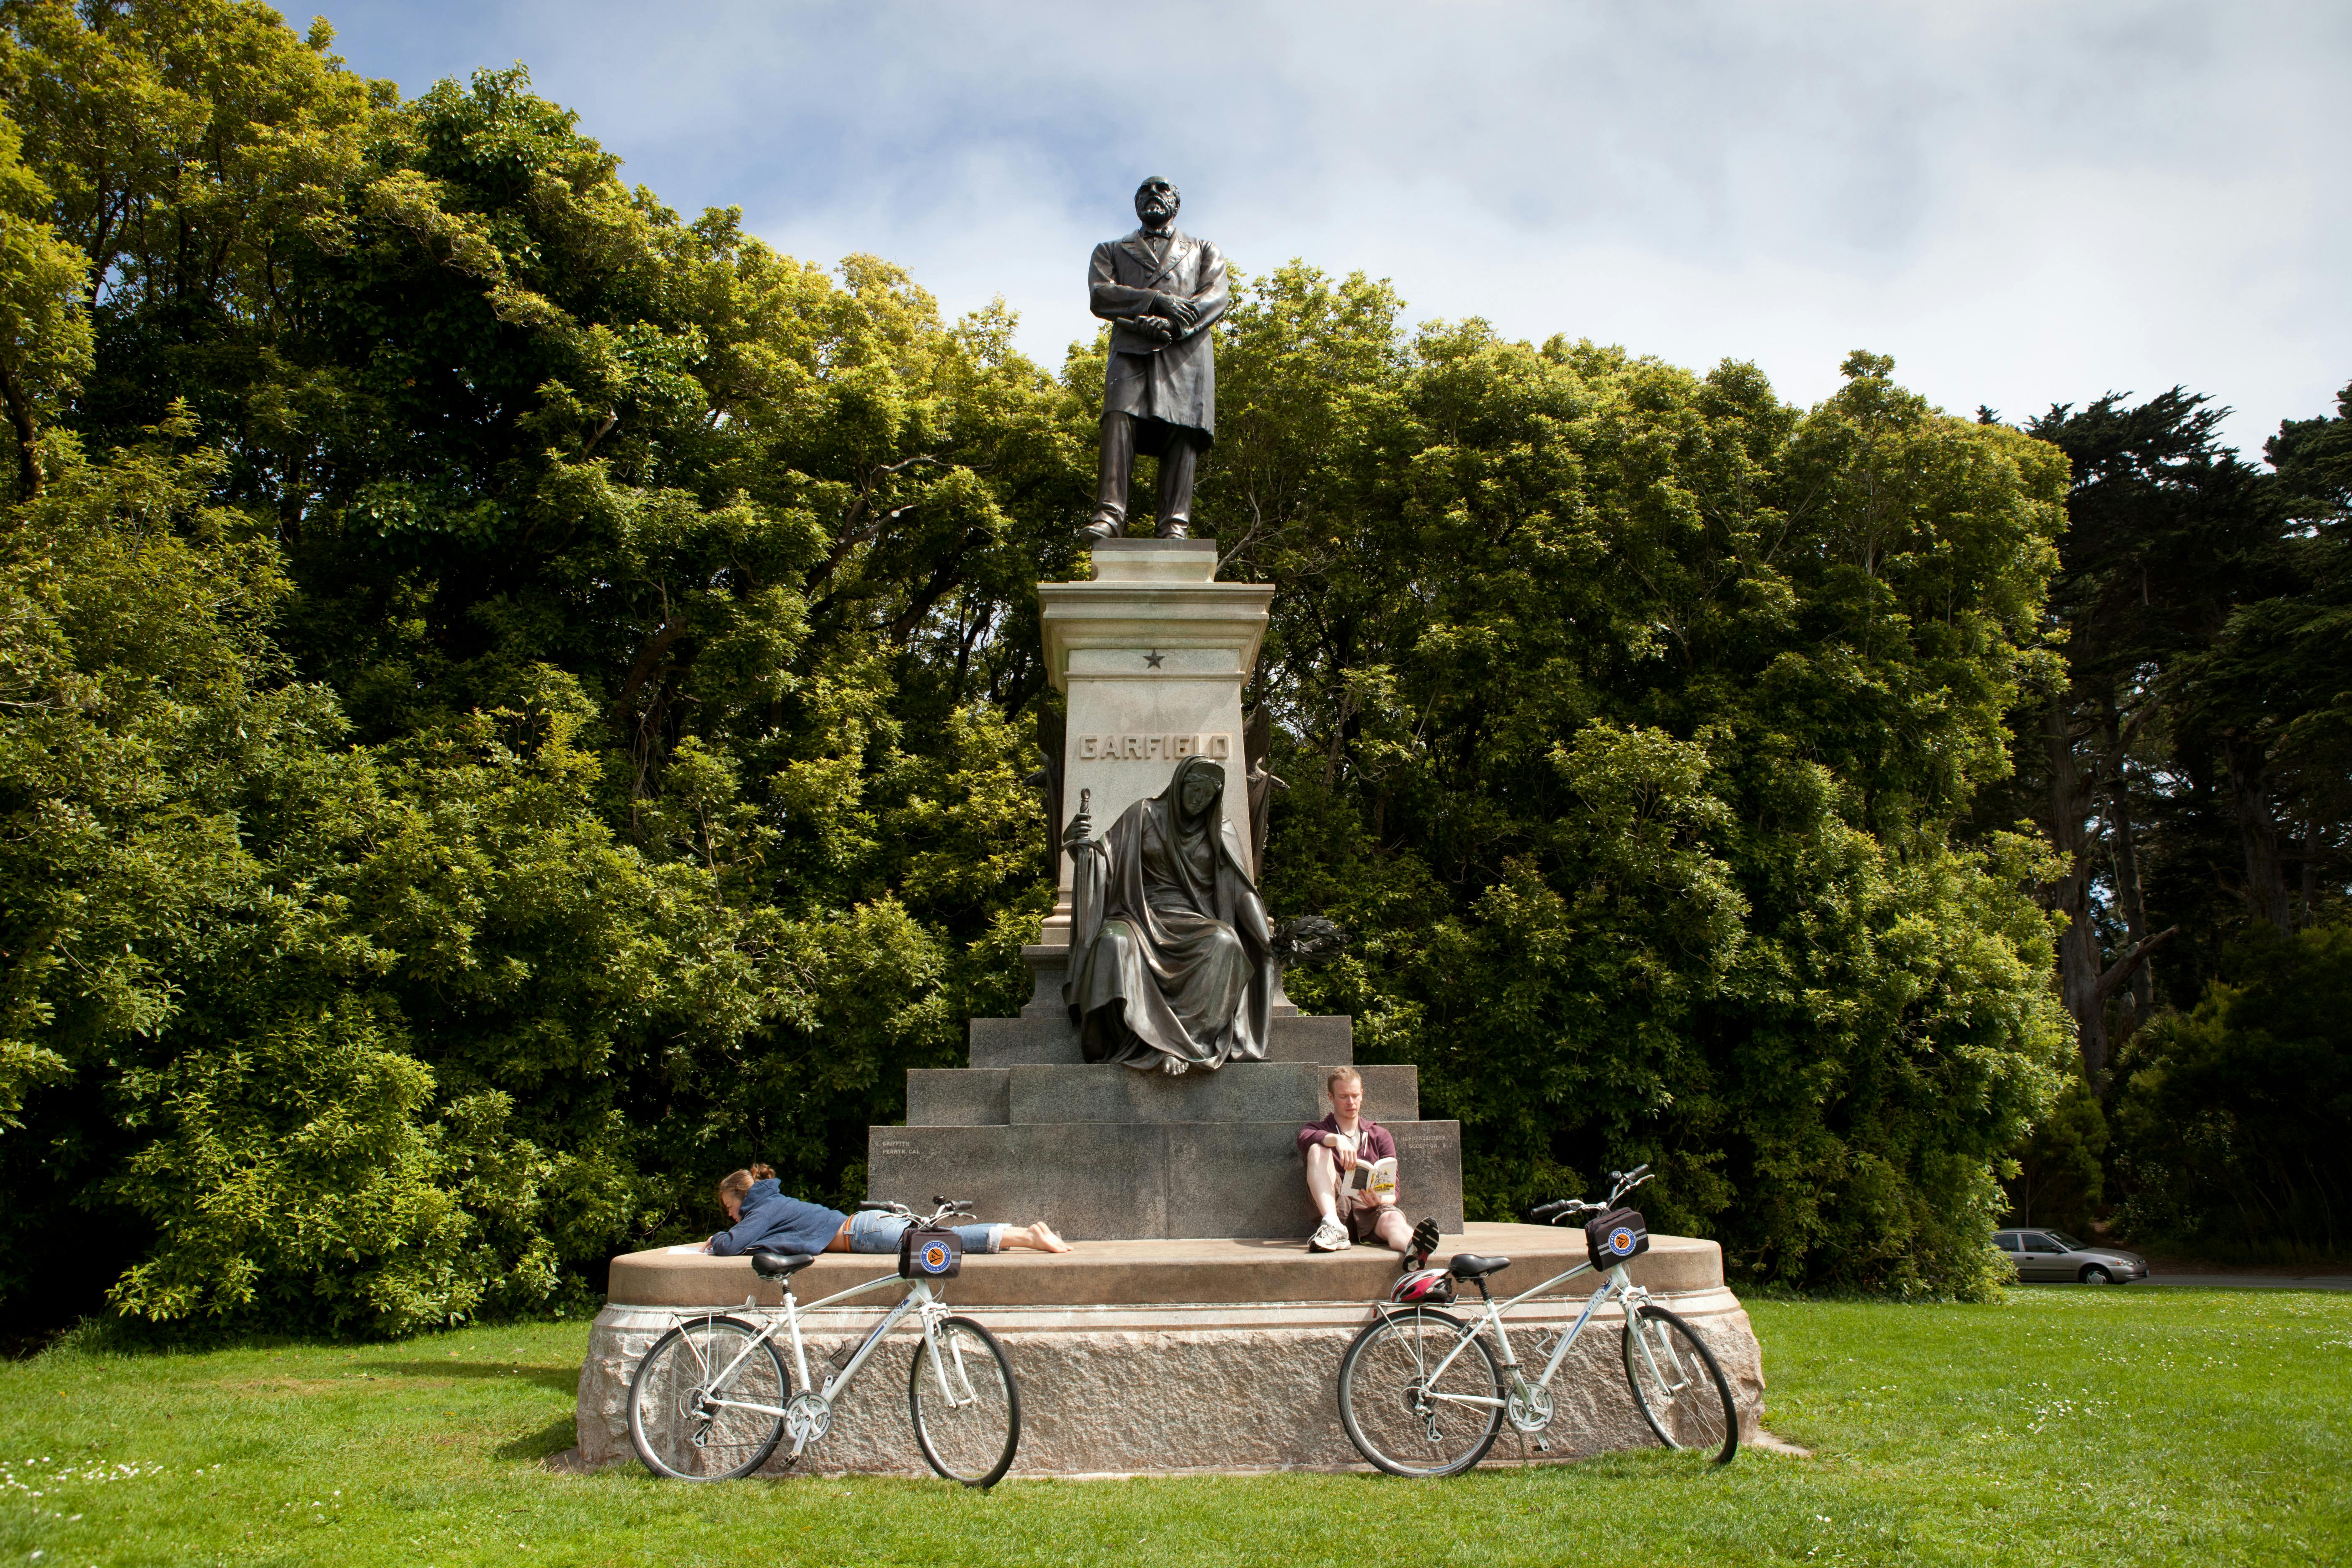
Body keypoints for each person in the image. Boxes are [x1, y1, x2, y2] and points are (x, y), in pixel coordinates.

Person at [1063, 754, 1272, 1073]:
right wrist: (1075, 843)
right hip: (1136, 915)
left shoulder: (1221, 830)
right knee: (1112, 943)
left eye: (1208, 795)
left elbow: (1242, 891)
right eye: (1195, 790)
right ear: (1179, 783)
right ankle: (1144, 1042)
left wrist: (1265, 939)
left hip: (1193, 920)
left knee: (1225, 943)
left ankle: (1185, 1044)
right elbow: (1103, 860)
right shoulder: (1142, 815)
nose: (1200, 800)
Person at [1082, 175, 1230, 540]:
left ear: (1176, 203)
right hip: (1131, 348)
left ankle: (1174, 526)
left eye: (1162, 189)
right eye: (1145, 190)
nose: (1153, 194)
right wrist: (1154, 301)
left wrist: (1171, 326)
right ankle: (1109, 517)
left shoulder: (1203, 249)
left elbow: (1215, 298)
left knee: (1182, 429)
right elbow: (1102, 295)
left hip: (1186, 349)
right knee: (1118, 418)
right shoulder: (1110, 250)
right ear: (1136, 204)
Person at [699, 1165, 1071, 1258]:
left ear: (742, 1196)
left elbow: (731, 1247)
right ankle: (1026, 1233)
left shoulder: (763, 1208)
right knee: (940, 1241)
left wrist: (716, 1241)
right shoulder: (771, 1205)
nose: (732, 1216)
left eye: (730, 1207)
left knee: (941, 1245)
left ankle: (1027, 1236)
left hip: (864, 1233)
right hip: (866, 1229)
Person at [1297, 1067, 1417, 1255]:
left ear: (1362, 1095)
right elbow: (1304, 1138)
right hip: (1336, 1208)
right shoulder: (1317, 1128)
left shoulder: (1380, 1136)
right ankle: (1333, 1226)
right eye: (1344, 1097)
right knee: (1317, 1148)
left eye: (1355, 1095)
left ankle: (1415, 1249)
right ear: (1331, 1098)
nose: (1351, 1102)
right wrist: (1336, 1140)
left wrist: (1379, 1200)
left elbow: (1395, 1191)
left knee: (1394, 1220)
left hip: (1369, 1210)